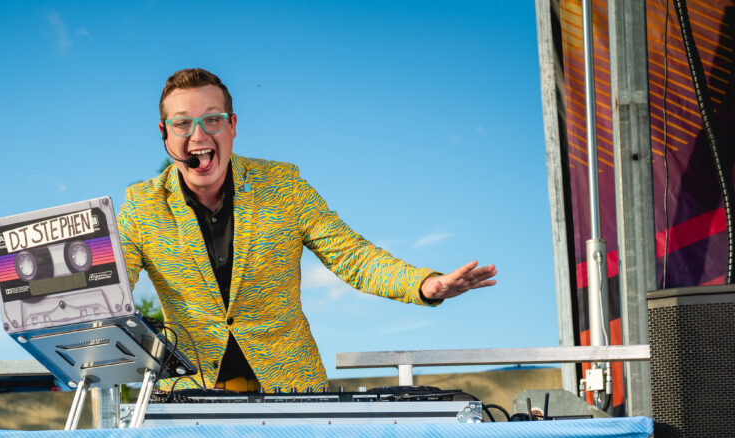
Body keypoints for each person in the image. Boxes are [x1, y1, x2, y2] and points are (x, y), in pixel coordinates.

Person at [117, 68, 496, 392]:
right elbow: (111, 288)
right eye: (183, 123)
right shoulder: (141, 205)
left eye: (212, 120)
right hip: (190, 396)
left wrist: (424, 284)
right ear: (165, 134)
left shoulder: (284, 185)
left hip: (292, 391)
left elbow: (353, 256)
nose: (198, 136)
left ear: (232, 126)